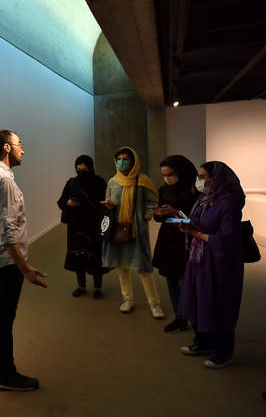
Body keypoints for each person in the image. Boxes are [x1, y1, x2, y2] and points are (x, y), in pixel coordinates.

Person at [0, 129, 47, 391]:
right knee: (3, 320)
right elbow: (6, 232)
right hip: (6, 264)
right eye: (19, 144)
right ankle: (6, 375)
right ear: (6, 147)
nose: (22, 150)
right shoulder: (3, 180)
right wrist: (25, 268)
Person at [178, 161, 245, 369]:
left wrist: (195, 233)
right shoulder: (204, 199)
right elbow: (199, 222)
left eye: (203, 177)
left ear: (217, 179)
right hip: (199, 258)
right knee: (197, 298)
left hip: (220, 262)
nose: (199, 181)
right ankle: (202, 341)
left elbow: (226, 239)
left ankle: (224, 352)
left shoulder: (229, 203)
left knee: (219, 302)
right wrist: (185, 224)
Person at [101, 147, 164, 318]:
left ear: (133, 161)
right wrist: (109, 205)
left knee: (144, 268)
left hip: (137, 230)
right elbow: (108, 199)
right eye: (119, 159)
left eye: (125, 159)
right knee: (121, 267)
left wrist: (146, 216)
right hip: (117, 229)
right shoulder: (112, 181)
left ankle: (154, 304)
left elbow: (153, 202)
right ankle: (127, 299)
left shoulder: (143, 180)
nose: (121, 162)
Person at [152, 155, 199, 332]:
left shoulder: (194, 192)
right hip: (168, 240)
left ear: (181, 172)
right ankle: (179, 317)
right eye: (164, 175)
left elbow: (195, 221)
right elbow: (160, 218)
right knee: (171, 280)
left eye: (170, 174)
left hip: (187, 241)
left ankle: (195, 321)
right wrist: (159, 214)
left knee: (185, 282)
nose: (167, 179)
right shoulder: (164, 190)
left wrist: (176, 213)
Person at [57, 155, 108, 299]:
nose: (81, 173)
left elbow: (105, 203)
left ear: (90, 168)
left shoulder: (99, 182)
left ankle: (98, 287)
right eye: (78, 170)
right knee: (78, 256)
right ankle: (81, 286)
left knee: (95, 256)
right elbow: (61, 201)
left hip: (93, 225)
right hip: (76, 227)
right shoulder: (71, 183)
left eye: (84, 170)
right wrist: (69, 203)